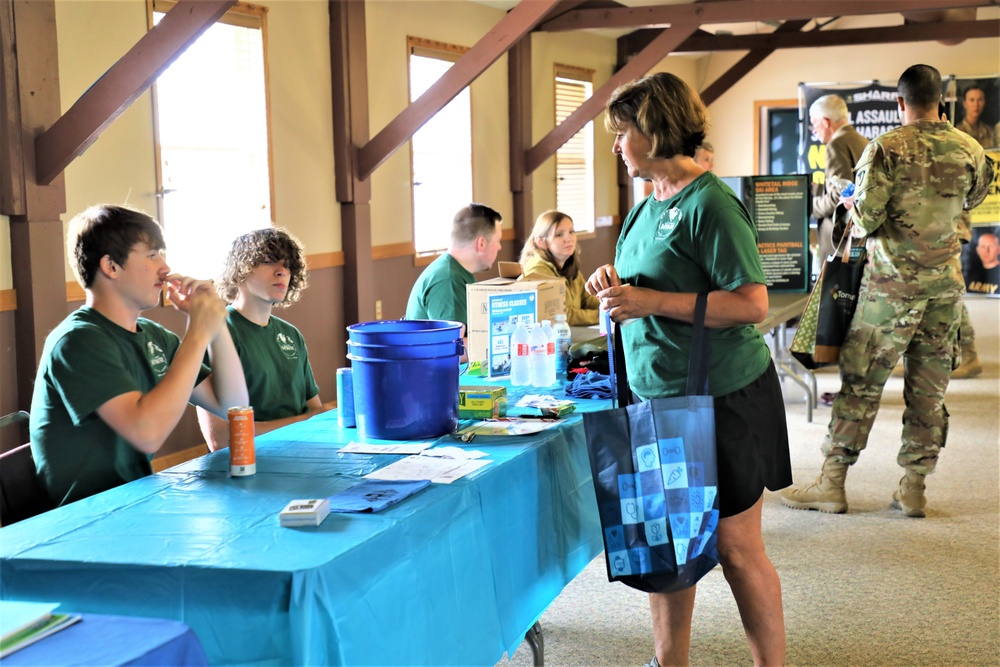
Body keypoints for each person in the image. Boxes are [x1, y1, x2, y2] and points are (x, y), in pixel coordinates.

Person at [587, 72, 790, 667]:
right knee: (664, 545)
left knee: (734, 546)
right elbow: (650, 278)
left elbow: (752, 304)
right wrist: (615, 285)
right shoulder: (646, 201)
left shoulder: (712, 204)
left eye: (623, 133)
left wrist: (649, 302)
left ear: (652, 130)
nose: (618, 145)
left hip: (724, 397)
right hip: (657, 399)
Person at [781, 64, 993, 518]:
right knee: (929, 390)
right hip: (944, 292)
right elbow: (974, 199)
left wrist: (852, 204)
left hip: (889, 292)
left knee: (860, 386)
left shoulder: (885, 149)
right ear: (942, 102)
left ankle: (832, 484)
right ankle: (913, 488)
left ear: (900, 103)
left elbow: (866, 221)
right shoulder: (971, 149)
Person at [30, 204, 248, 508]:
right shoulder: (77, 341)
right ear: (111, 267)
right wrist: (197, 333)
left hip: (137, 502)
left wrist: (216, 325)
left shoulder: (153, 335)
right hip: (86, 519)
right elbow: (147, 434)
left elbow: (232, 405)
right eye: (152, 255)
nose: (165, 268)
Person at [196, 228, 329, 451]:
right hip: (250, 464)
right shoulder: (217, 332)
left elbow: (315, 413)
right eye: (269, 262)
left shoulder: (291, 334)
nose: (282, 272)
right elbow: (221, 439)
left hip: (304, 454)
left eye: (287, 265)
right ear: (241, 270)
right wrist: (302, 421)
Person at [405, 203, 503, 329]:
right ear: (482, 243)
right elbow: (453, 343)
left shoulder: (456, 271)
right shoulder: (448, 280)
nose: (500, 247)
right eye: (498, 241)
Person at [809, 94, 870, 263]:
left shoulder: (836, 144)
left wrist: (810, 206)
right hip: (861, 235)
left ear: (826, 122)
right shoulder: (863, 141)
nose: (814, 130)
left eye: (814, 124)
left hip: (840, 243)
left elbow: (840, 195)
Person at [519, 210, 600, 326]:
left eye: (571, 232)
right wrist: (603, 315)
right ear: (542, 242)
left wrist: (609, 305)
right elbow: (563, 316)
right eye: (559, 234)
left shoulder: (568, 265)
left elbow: (587, 299)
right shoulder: (537, 272)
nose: (569, 238)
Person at [956, 84, 995, 149]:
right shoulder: (958, 132)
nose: (976, 104)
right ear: (965, 103)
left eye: (980, 100)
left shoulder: (989, 131)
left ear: (984, 102)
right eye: (972, 100)